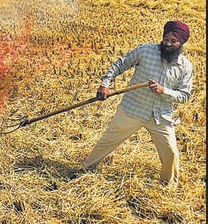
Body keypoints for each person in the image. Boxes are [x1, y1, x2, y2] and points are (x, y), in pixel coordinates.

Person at [82, 20, 193, 187]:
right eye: (166, 39)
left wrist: (164, 91)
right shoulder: (145, 51)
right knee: (108, 141)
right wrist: (105, 84)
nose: (168, 44)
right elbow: (120, 64)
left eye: (173, 41)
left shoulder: (185, 67)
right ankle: (85, 169)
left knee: (170, 151)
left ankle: (168, 186)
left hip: (160, 116)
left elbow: (184, 95)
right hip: (133, 109)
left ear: (181, 43)